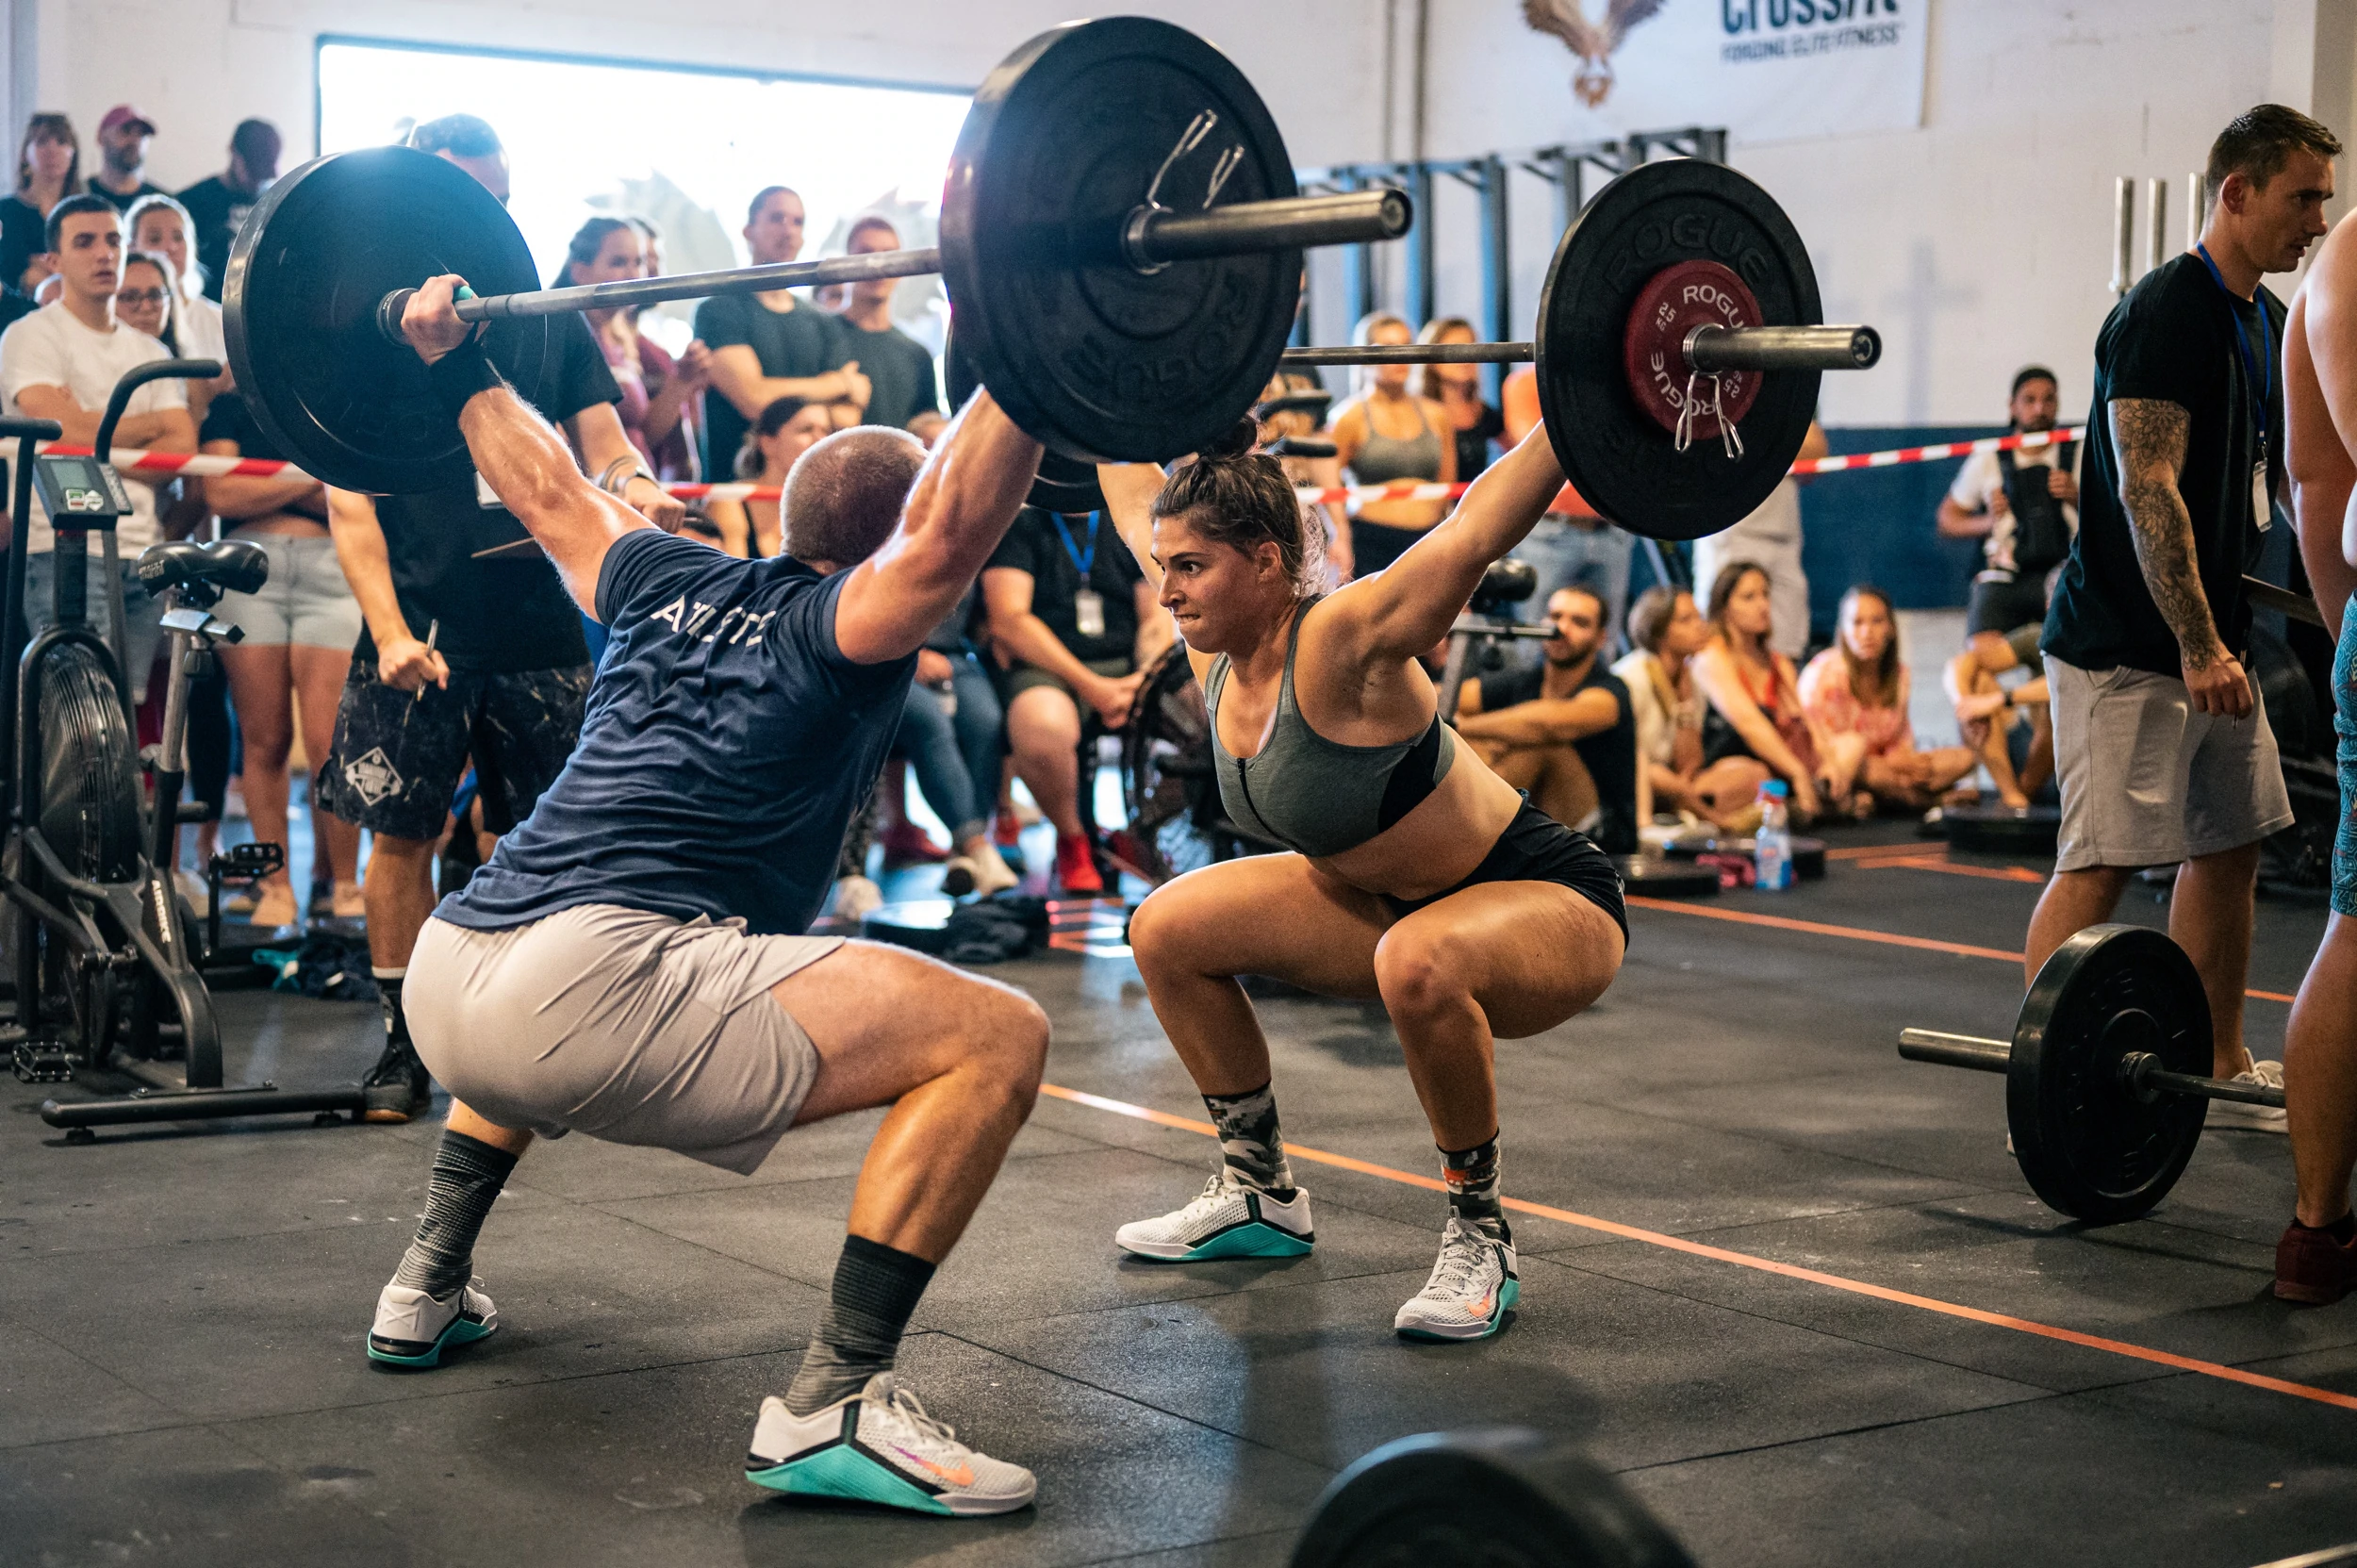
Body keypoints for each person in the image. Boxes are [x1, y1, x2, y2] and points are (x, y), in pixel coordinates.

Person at [364, 269, 1051, 1516]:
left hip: (456, 968)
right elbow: (947, 531)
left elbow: (544, 485)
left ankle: (424, 1278)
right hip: (584, 984)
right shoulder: (850, 619)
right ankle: (836, 1400)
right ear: (881, 548)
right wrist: (1043, 346)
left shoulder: (654, 576)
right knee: (998, 1034)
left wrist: (453, 357)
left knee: (549, 986)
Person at [1096, 419, 1624, 1343]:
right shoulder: (1212, 639)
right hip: (1378, 905)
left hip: (1545, 895)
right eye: (1163, 566)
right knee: (1165, 929)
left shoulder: (1343, 636)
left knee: (1417, 964)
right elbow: (1126, 476)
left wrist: (1583, 403)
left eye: (1187, 567)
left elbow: (1469, 533)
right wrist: (1075, 393)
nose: (1166, 589)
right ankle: (1257, 1191)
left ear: (1265, 562)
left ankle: (1480, 1232)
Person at [318, 114, 685, 1124]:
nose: (486, 209)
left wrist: (637, 487)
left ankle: (532, 1034)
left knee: (546, 837)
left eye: (497, 189)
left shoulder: (544, 315)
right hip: (420, 630)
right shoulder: (362, 323)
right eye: (463, 189)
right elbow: (348, 501)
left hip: (540, 624)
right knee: (404, 835)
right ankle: (402, 1045)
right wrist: (388, 631)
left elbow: (605, 440)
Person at [2032, 104, 2332, 1118]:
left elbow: (2294, 480)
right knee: (2104, 861)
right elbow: (2144, 486)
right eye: (2302, 197)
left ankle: (2215, 1055)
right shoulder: (2166, 308)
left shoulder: (2269, 318)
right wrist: (2196, 641)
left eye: (2326, 200)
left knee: (2231, 845)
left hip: (2217, 646)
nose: (2318, 221)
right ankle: (2053, 1086)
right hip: (2127, 647)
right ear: (2235, 192)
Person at [0, 196, 194, 702]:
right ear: (53, 262)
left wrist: (90, 430)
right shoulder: (29, 336)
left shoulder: (151, 352)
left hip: (140, 550)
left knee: (124, 719)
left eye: (113, 240)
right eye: (84, 242)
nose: (103, 254)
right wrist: (141, 427)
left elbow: (180, 444)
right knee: (79, 722)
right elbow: (59, 432)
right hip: (63, 547)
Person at [2278, 163, 2357, 1304]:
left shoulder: (2336, 263)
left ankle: (2313, 1231)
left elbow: (2315, 482)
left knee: (2353, 922)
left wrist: (2349, 638)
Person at [200, 388, 367, 927]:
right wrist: (308, 479)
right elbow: (222, 495)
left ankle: (340, 880)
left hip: (334, 567)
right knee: (264, 737)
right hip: (248, 571)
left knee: (328, 741)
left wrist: (267, 482)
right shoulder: (231, 404)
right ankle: (276, 886)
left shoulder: (339, 400)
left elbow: (355, 496)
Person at [981, 504, 1166, 894]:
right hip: (1048, 667)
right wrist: (1092, 687)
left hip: (1127, 667)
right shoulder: (1021, 523)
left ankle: (1138, 836)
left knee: (1202, 716)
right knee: (1041, 726)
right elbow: (1010, 620)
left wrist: (1145, 680)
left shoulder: (1124, 520)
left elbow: (1156, 614)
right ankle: (1073, 840)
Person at [1450, 585, 1640, 854]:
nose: (1562, 628)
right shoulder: (1524, 680)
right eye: (1555, 616)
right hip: (1537, 826)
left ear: (1600, 638)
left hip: (1601, 839)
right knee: (1474, 745)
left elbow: (1545, 725)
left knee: (1541, 744)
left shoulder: (1610, 691)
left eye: (1580, 622)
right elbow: (1442, 697)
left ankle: (1464, 844)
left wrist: (1457, 726)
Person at [695, 186, 868, 479]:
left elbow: (846, 417)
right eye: (777, 218)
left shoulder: (823, 323)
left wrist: (771, 390)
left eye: (797, 222)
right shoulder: (718, 311)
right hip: (736, 494)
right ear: (749, 230)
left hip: (810, 493)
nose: (788, 231)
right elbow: (752, 399)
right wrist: (836, 383)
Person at [552, 216, 711, 482]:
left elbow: (643, 434)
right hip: (598, 494)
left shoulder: (623, 339)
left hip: (636, 488)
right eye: (618, 262)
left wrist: (682, 380)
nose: (633, 274)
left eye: (638, 262)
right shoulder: (561, 337)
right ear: (579, 271)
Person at [1799, 586, 1978, 817]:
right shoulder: (1824, 672)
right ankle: (1928, 800)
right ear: (1843, 631)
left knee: (1963, 759)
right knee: (1866, 763)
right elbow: (1821, 747)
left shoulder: (1900, 675)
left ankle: (1893, 798)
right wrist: (1892, 766)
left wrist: (1906, 763)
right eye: (1857, 623)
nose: (1867, 632)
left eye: (1877, 621)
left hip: (1889, 766)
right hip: (1842, 767)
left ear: (1891, 628)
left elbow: (1901, 741)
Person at [898, 585, 1019, 898]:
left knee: (985, 720)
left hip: (954, 654)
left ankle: (962, 855)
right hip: (889, 654)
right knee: (930, 722)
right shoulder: (880, 535)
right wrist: (910, 653)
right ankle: (978, 846)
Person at [1500, 363, 1629, 652]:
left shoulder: (1614, 379)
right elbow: (1542, 452)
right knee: (1533, 641)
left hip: (1611, 529)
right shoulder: (1524, 383)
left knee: (1601, 647)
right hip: (1551, 531)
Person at [1610, 586, 1759, 827]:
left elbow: (1689, 765)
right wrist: (1681, 788)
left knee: (1752, 773)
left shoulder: (1692, 680)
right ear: (1658, 630)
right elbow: (1632, 763)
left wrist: (1684, 704)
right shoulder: (1631, 678)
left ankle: (1689, 812)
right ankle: (1718, 822)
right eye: (1685, 620)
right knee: (1655, 774)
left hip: (1673, 782)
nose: (1701, 626)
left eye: (1699, 617)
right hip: (1633, 780)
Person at [1691, 560, 1825, 824]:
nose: (1763, 605)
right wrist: (1798, 772)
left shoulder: (1778, 663)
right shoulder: (1712, 657)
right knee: (1753, 775)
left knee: (1848, 750)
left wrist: (1829, 761)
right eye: (1749, 597)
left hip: (1780, 768)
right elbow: (1750, 724)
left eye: (1765, 594)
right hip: (1727, 768)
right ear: (1725, 607)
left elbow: (1809, 726)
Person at [1329, 311, 1456, 578]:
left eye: (1406, 345)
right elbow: (1328, 485)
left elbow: (1448, 489)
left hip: (1428, 540)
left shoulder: (1437, 415)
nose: (1400, 356)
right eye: (1388, 347)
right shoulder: (1349, 418)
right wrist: (1340, 538)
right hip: (1372, 544)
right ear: (1365, 357)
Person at [1690, 421, 1829, 660]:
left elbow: (1816, 456)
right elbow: (1711, 442)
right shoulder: (1716, 395)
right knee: (1722, 639)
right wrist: (1782, 439)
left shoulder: (1786, 399)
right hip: (1731, 533)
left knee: (1789, 641)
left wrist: (1758, 437)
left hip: (1783, 537)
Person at [832, 216, 940, 435]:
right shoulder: (820, 335)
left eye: (888, 255)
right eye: (866, 253)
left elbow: (926, 430)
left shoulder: (917, 355)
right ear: (846, 262)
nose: (877, 265)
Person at [125, 195, 228, 415]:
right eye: (154, 239)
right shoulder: (122, 315)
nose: (170, 247)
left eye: (178, 237)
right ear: (131, 247)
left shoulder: (221, 319)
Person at [707, 394, 833, 558]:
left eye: (826, 431)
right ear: (768, 444)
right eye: (806, 430)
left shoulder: (827, 506)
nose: (820, 440)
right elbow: (736, 580)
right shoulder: (730, 502)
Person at [176, 118, 280, 304]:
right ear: (233, 150)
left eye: (262, 174)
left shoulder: (276, 204)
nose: (257, 180)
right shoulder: (194, 201)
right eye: (251, 170)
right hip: (210, 309)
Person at [1414, 315, 1504, 483]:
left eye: (1472, 348)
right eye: (1455, 349)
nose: (1465, 358)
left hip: (1477, 505)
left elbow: (1519, 452)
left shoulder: (1482, 412)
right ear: (1431, 359)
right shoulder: (1414, 410)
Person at [1, 113, 80, 297]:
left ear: (73, 153)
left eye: (61, 142)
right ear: (24, 154)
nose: (52, 150)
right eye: (42, 142)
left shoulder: (84, 212)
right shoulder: (5, 211)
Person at [88, 105, 166, 214]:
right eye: (126, 130)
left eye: (141, 134)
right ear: (101, 137)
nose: (135, 141)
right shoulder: (81, 196)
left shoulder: (161, 205)